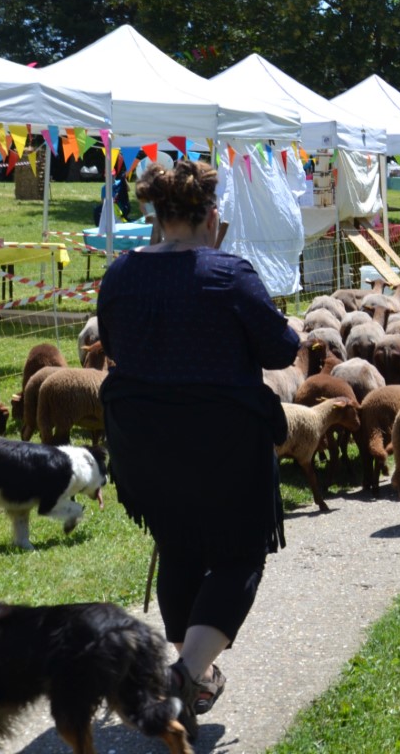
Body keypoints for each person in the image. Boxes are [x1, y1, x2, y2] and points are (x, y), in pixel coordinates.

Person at [97, 160, 300, 739]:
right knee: (239, 553)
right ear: (212, 214)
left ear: (154, 215)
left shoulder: (119, 275)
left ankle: (197, 675)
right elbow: (282, 350)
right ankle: (184, 674)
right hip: (223, 443)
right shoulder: (227, 273)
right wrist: (222, 256)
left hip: (142, 443)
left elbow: (114, 345)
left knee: (178, 544)